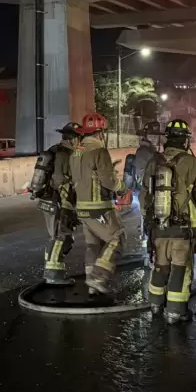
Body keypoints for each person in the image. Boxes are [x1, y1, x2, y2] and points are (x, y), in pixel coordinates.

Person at [140, 118, 196, 324]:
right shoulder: (193, 164)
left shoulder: (154, 162)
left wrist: (147, 222)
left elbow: (144, 195)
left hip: (158, 226)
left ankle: (155, 305)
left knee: (160, 265)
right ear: (186, 141)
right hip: (184, 227)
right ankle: (175, 311)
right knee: (180, 269)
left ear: (167, 139)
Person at [70, 112, 127, 295]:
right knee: (117, 237)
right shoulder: (100, 152)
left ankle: (91, 284)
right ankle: (98, 277)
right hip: (99, 208)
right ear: (100, 132)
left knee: (93, 245)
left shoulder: (76, 153)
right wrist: (122, 187)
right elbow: (108, 181)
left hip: (82, 208)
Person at [34, 122, 80, 285]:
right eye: (79, 138)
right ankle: (53, 275)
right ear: (74, 139)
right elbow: (60, 179)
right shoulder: (65, 154)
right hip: (59, 201)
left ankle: (50, 269)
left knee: (57, 236)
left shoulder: (54, 149)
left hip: (49, 199)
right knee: (62, 236)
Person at [132, 121, 161, 190]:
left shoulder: (150, 149)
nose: (154, 138)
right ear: (145, 136)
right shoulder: (143, 151)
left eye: (156, 136)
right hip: (144, 186)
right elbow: (143, 177)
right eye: (151, 135)